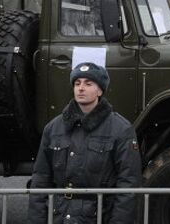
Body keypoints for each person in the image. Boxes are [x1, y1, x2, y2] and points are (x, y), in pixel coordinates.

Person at [28, 62, 142, 224]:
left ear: (100, 90)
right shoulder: (53, 128)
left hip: (99, 216)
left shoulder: (121, 129)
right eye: (77, 83)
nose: (81, 88)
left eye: (88, 84)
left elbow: (129, 184)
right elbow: (40, 180)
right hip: (59, 216)